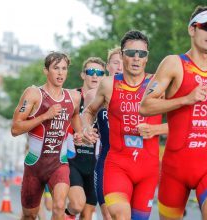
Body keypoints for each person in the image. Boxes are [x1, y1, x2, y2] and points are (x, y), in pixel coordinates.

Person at [139, 6, 207, 219]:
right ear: (192, 30)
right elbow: (145, 106)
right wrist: (185, 99)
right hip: (175, 168)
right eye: (206, 26)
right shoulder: (174, 64)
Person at [82, 30, 168, 220]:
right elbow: (88, 112)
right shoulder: (108, 85)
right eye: (130, 53)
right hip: (117, 166)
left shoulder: (158, 84)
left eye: (142, 54)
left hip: (148, 170)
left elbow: (183, 122)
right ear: (122, 56)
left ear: (147, 58)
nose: (136, 59)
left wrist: (157, 129)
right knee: (120, 216)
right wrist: (87, 127)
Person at [11, 51, 86, 220]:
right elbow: (15, 129)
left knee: (59, 206)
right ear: (46, 71)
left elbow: (74, 116)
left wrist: (79, 133)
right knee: (30, 215)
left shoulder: (73, 97)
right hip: (34, 165)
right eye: (56, 68)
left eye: (64, 68)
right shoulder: (33, 94)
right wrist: (45, 116)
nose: (60, 73)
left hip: (59, 163)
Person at [65, 57, 106, 220]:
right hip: (73, 160)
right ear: (83, 75)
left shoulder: (107, 100)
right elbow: (62, 125)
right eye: (91, 72)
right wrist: (74, 135)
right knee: (76, 205)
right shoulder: (73, 97)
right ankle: (64, 213)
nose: (95, 76)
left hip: (95, 163)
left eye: (99, 73)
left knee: (87, 214)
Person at [92, 47, 122, 220]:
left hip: (131, 162)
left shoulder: (137, 93)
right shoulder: (97, 94)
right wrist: (85, 130)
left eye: (121, 63)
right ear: (108, 66)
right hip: (105, 160)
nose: (119, 67)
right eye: (115, 63)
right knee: (108, 215)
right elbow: (85, 115)